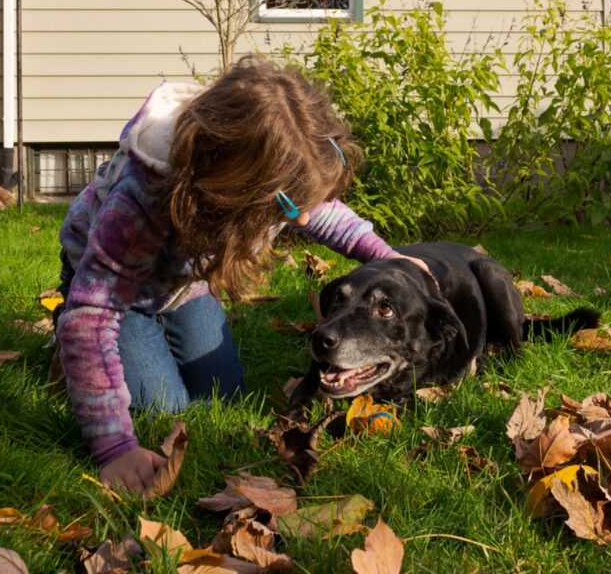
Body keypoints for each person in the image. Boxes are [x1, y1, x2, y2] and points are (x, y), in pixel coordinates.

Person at [56, 56, 424, 496]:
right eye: (291, 207)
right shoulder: (140, 202)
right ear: (234, 190)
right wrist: (114, 447)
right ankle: (71, 364)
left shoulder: (275, 183)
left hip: (182, 285)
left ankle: (138, 346)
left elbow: (324, 215)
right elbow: (91, 317)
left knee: (224, 399)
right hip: (118, 293)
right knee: (164, 407)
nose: (303, 216)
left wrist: (391, 260)